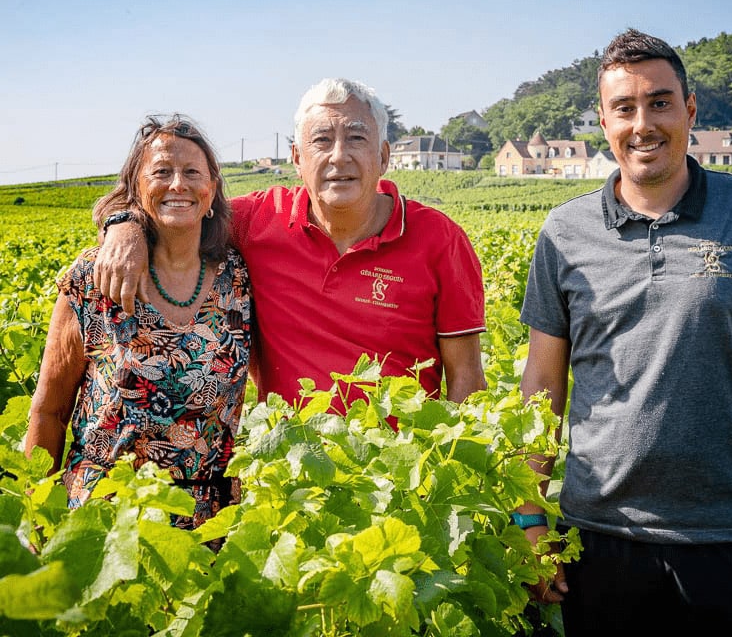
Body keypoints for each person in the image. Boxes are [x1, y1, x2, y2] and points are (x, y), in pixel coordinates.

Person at [516, 29, 732, 635]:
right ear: (603, 120)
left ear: (690, 110)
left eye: (660, 102)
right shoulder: (564, 233)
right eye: (625, 108)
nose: (643, 123)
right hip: (597, 537)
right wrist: (528, 516)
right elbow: (542, 383)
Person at [93, 79, 486, 410]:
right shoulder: (255, 222)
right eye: (322, 140)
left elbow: (466, 374)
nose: (339, 155)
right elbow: (177, 204)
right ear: (297, 158)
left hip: (399, 479)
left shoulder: (440, 239)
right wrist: (124, 225)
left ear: (383, 156)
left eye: (356, 138)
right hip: (293, 474)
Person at [25, 115, 252, 530]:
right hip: (105, 515)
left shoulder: (237, 277)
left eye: (191, 173)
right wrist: (36, 520)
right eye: (161, 172)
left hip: (208, 523)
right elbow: (48, 412)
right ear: (136, 189)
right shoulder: (92, 277)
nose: (178, 184)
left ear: (212, 191)